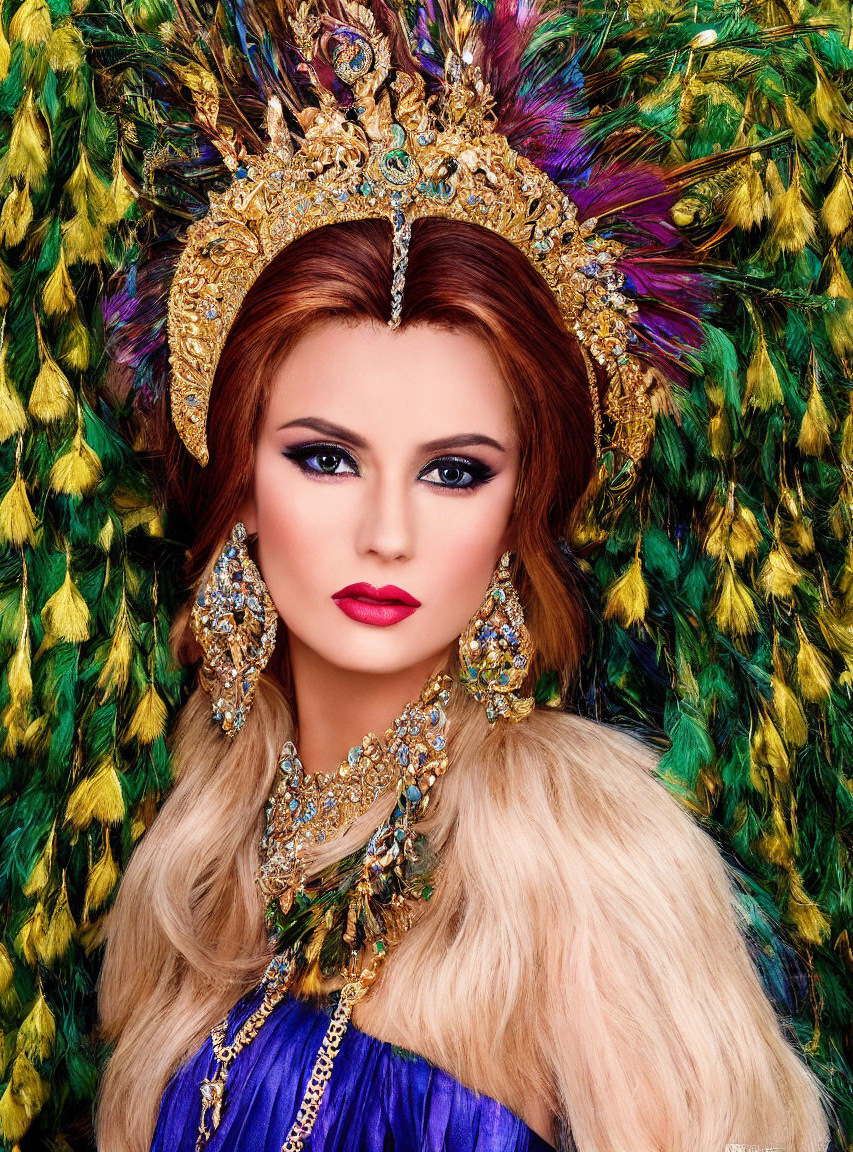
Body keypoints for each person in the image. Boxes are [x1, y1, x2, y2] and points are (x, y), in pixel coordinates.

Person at [90, 0, 834, 1140]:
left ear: (515, 514)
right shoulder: (203, 850)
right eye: (325, 458)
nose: (385, 530)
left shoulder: (577, 847)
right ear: (241, 484)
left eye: (452, 473)